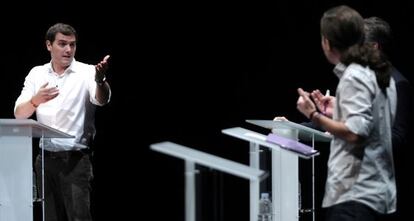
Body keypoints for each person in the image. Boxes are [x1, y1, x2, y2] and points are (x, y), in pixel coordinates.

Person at [296, 5, 397, 221]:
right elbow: (371, 122)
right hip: (375, 193)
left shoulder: (355, 76)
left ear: (328, 43)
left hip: (356, 196)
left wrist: (314, 115)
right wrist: (339, 108)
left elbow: (355, 133)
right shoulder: (379, 72)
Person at [14, 23, 111, 221]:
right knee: (49, 217)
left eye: (72, 45)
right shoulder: (37, 74)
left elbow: (102, 100)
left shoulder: (87, 72)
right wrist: (35, 101)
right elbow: (19, 114)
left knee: (79, 217)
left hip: (75, 161)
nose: (68, 49)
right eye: (62, 44)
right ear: (49, 45)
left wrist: (101, 81)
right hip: (45, 161)